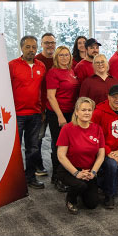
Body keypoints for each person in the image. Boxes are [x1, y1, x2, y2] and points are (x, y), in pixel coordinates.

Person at [9, 35, 46, 189]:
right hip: (16, 115)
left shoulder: (41, 66)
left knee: (33, 148)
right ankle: (14, 180)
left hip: (35, 114)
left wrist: (42, 109)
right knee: (14, 149)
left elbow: (43, 90)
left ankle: (30, 177)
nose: (31, 50)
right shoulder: (12, 65)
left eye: (34, 47)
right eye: (28, 47)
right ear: (21, 48)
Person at [57, 97, 105, 214]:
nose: (87, 113)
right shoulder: (67, 129)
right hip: (69, 170)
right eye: (83, 110)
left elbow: (101, 154)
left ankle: (82, 189)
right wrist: (76, 173)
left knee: (92, 204)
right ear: (76, 112)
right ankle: (71, 199)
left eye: (89, 110)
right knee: (80, 185)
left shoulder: (97, 129)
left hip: (89, 171)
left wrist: (93, 172)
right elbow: (61, 155)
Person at [91, 85, 118, 208]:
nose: (117, 100)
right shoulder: (98, 112)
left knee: (113, 166)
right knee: (112, 165)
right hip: (101, 150)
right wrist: (109, 151)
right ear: (108, 97)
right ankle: (108, 195)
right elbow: (95, 136)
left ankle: (102, 183)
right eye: (114, 97)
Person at [46, 46, 80, 192]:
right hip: (57, 114)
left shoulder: (71, 71)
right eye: (61, 55)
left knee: (69, 145)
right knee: (58, 145)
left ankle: (66, 172)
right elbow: (50, 96)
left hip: (71, 113)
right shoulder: (53, 73)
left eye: (66, 55)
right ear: (56, 57)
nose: (64, 57)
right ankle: (56, 177)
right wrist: (60, 116)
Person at [34, 33, 56, 176]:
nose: (50, 45)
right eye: (47, 42)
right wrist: (40, 109)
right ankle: (38, 166)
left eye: (52, 42)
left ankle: (58, 167)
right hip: (40, 107)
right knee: (38, 138)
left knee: (56, 138)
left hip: (55, 107)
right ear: (41, 44)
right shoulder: (36, 61)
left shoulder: (58, 59)